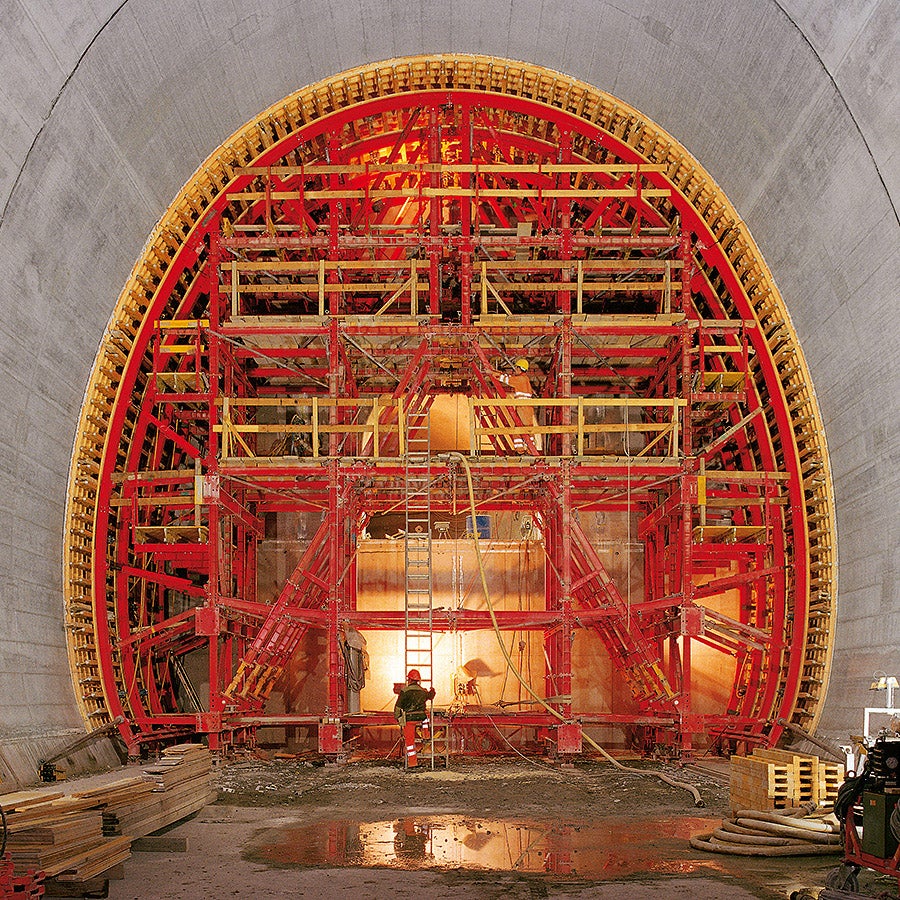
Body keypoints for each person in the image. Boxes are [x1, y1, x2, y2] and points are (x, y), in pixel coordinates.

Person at [394, 669, 435, 767]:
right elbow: (430, 696)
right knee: (426, 717)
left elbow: (398, 707)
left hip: (409, 719)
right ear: (418, 680)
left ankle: (413, 763)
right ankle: (426, 734)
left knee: (410, 742)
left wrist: (398, 717)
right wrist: (433, 691)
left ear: (409, 680)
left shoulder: (404, 691)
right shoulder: (423, 691)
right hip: (421, 717)